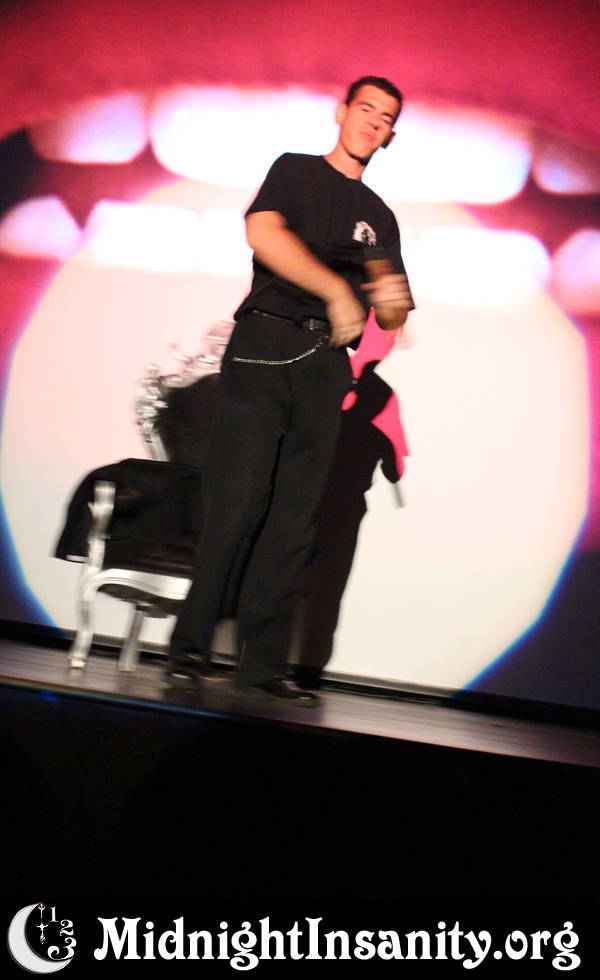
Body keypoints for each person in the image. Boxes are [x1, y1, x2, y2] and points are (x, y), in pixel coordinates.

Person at [168, 75, 414, 703]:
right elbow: (263, 234)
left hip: (325, 363)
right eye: (366, 109)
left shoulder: (380, 216)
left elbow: (392, 309)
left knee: (295, 520)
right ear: (342, 112)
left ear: (390, 135)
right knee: (238, 499)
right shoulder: (296, 171)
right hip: (267, 344)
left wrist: (384, 290)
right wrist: (335, 289)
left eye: (386, 118)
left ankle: (262, 666)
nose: (373, 122)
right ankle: (190, 648)